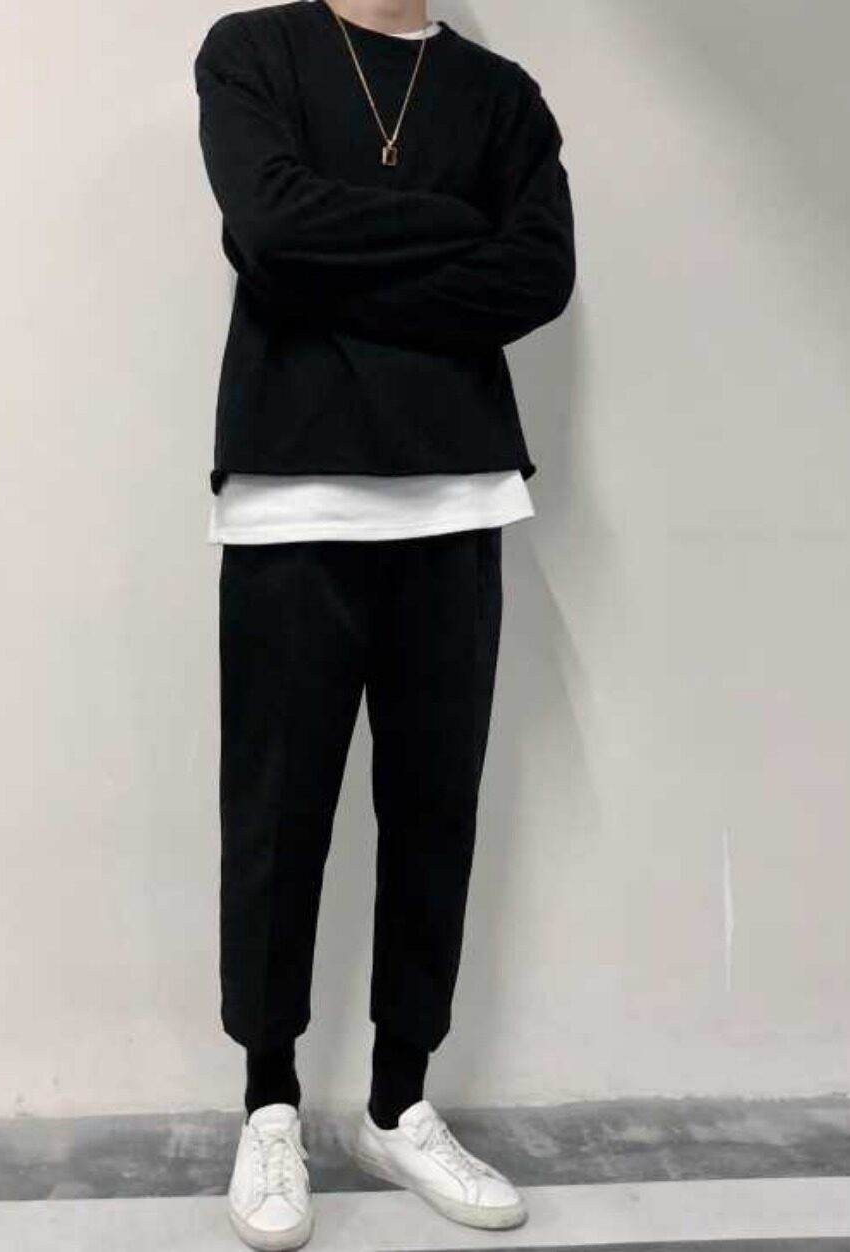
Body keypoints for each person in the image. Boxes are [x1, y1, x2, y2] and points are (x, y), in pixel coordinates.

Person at [193, 0, 575, 1245]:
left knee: (433, 810)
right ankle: (269, 1106)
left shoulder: (502, 96)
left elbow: (537, 275)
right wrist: (452, 226)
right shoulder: (253, 51)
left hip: (460, 494)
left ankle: (400, 1105)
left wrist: (330, 272)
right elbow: (270, 230)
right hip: (290, 492)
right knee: (277, 813)